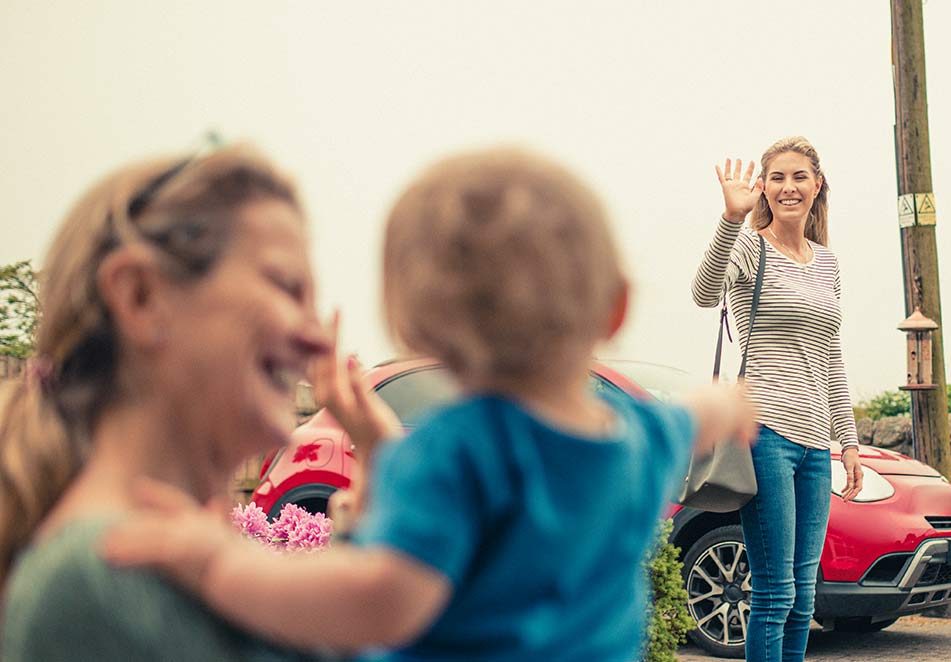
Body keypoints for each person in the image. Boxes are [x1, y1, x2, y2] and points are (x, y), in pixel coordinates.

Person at [102, 146, 758, 662]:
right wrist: (732, 406)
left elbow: (379, 602)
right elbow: (702, 415)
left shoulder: (452, 449)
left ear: (412, 326)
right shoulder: (642, 435)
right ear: (616, 308)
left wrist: (215, 561)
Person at [0, 144, 336, 661]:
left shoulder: (177, 568)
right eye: (288, 288)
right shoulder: (92, 588)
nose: (319, 339)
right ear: (140, 297)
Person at [690, 136, 864, 662]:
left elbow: (831, 356)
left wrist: (848, 442)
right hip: (765, 433)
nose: (790, 187)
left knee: (804, 594)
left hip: (815, 444)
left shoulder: (828, 263)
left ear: (817, 186)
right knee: (774, 592)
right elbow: (703, 293)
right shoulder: (748, 244)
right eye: (778, 178)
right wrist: (729, 220)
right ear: (764, 187)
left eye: (800, 177)